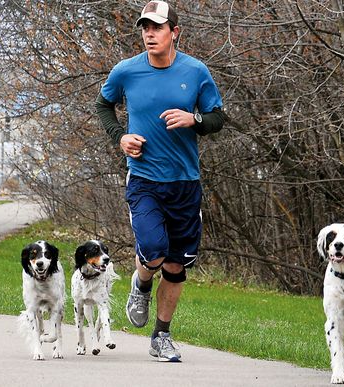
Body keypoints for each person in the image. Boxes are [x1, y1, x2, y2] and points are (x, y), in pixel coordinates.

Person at [96, 0, 224, 362]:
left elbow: (217, 118)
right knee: (153, 250)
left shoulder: (196, 72)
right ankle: (141, 283)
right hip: (144, 180)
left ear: (174, 32)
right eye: (145, 28)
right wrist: (119, 136)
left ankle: (161, 336)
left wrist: (194, 120)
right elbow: (102, 106)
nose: (149, 34)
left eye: (157, 27)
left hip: (185, 183)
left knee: (176, 264)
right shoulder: (126, 71)